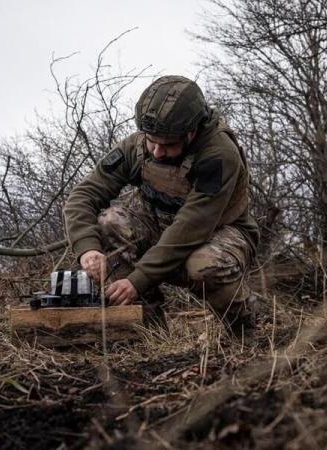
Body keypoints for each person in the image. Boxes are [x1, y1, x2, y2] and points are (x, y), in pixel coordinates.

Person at [63, 75, 259, 333]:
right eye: (151, 141)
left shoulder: (218, 154)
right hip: (159, 225)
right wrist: (87, 248)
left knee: (205, 264)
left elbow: (191, 226)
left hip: (220, 233)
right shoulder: (136, 145)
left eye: (167, 145)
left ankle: (243, 333)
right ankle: (147, 332)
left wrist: (138, 280)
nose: (156, 151)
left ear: (192, 132)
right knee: (110, 222)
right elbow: (84, 195)